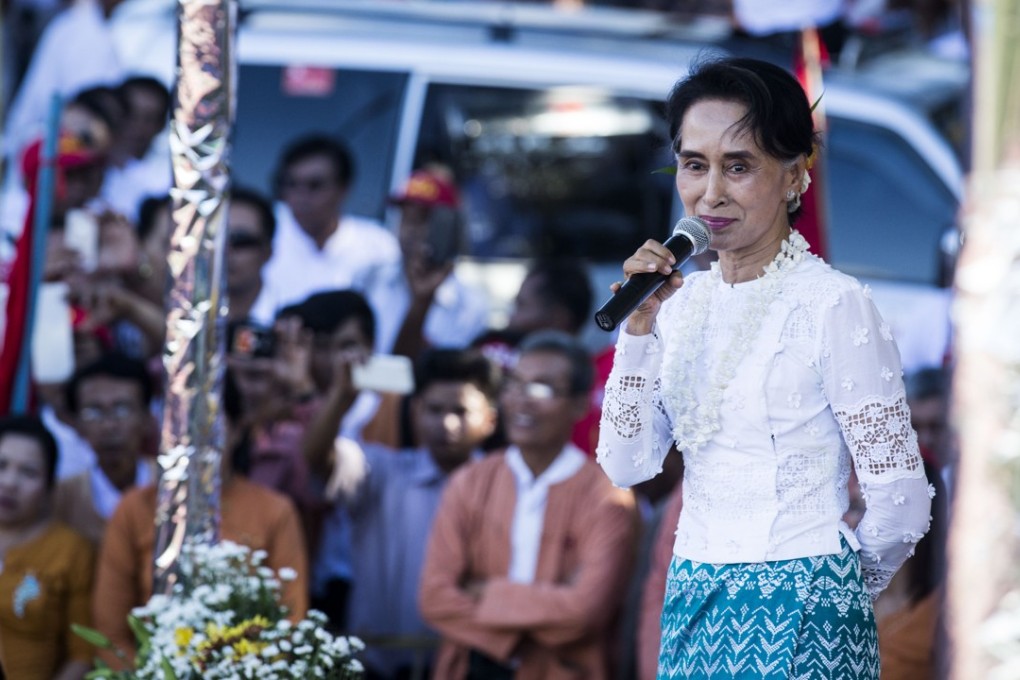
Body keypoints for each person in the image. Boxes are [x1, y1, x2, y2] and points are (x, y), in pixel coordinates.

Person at [596, 56, 931, 679]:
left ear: (795, 176)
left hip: (808, 606)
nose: (711, 193)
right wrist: (638, 329)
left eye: (738, 166)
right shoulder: (678, 305)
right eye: (694, 165)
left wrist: (834, 588)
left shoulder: (832, 304)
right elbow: (627, 464)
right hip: (692, 593)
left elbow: (901, 503)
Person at [419, 330, 638, 680]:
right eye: (515, 384)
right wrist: (542, 615)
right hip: (472, 668)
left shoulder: (605, 497)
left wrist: (485, 593)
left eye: (542, 389)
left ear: (579, 405)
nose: (522, 400)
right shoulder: (470, 482)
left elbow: (584, 612)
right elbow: (435, 598)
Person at [91, 370, 309, 669]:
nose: (194, 439)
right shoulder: (135, 509)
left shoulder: (274, 511)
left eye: (208, 424)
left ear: (238, 429)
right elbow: (111, 634)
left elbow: (290, 622)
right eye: (181, 426)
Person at [336, 348, 501, 679]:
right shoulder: (382, 471)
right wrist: (340, 398)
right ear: (415, 411)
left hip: (468, 667)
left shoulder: (506, 485)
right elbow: (318, 460)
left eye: (461, 411)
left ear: (489, 420)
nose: (446, 423)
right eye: (435, 410)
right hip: (377, 667)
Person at [260, 133, 400, 345]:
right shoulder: (262, 234)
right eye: (291, 184)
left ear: (343, 188)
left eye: (314, 185)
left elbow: (384, 329)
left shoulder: (378, 247)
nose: (301, 196)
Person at [0, 414, 94, 680]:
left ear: (49, 486)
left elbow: (83, 655)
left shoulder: (70, 550)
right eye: (1, 465)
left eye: (28, 472)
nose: (9, 482)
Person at [375, 166, 489, 358]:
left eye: (422, 219)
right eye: (406, 217)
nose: (410, 229)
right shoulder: (370, 280)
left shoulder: (470, 306)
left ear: (451, 227)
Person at [53, 351, 157, 546]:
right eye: (93, 412)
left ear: (147, 418)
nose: (109, 426)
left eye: (122, 409)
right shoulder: (61, 498)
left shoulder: (170, 487)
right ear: (77, 425)